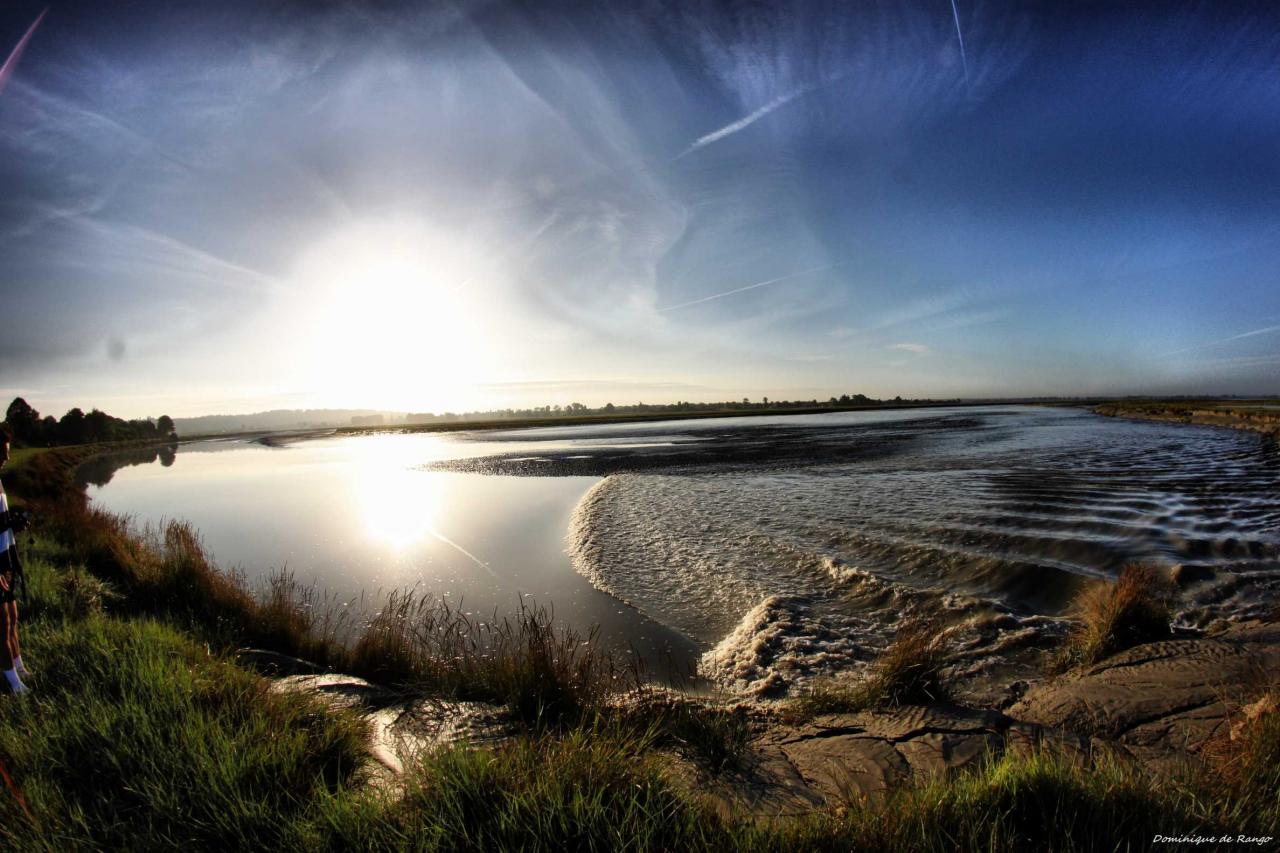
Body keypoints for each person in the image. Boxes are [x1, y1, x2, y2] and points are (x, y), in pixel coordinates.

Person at [0, 424, 30, 695]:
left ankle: (19, 667)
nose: (6, 458)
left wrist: (13, 524)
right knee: (2, 625)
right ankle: (14, 685)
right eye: (1, 452)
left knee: (13, 616)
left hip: (5, 557)